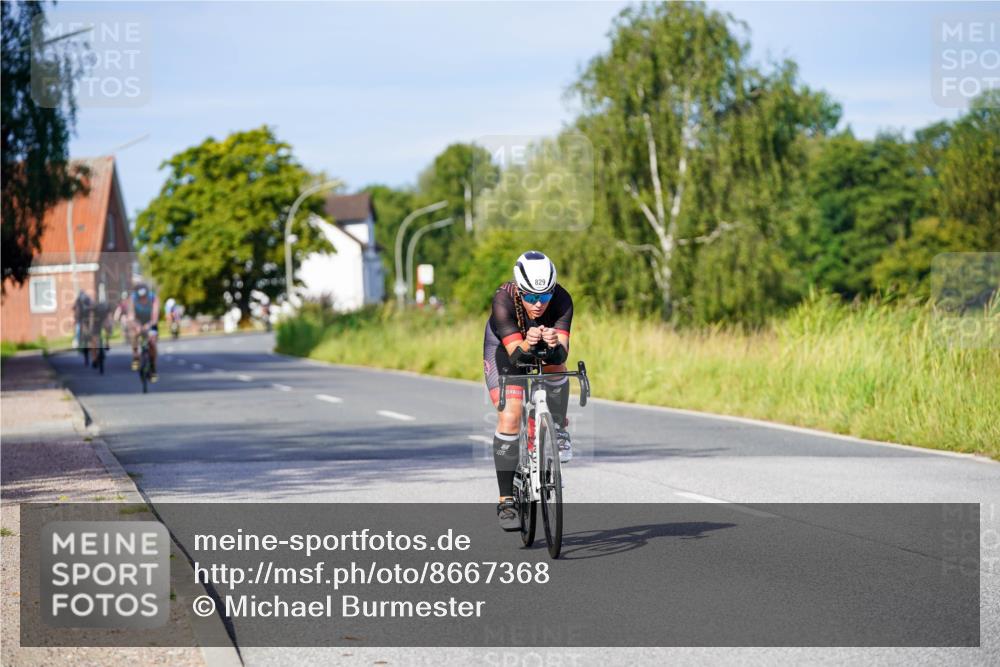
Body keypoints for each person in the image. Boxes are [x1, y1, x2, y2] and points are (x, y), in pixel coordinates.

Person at [483, 251, 573, 531]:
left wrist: (554, 344)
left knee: (556, 368)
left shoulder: (562, 300)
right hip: (504, 351)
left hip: (539, 346)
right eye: (531, 296)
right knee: (510, 417)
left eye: (544, 296)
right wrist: (527, 343)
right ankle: (506, 499)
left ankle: (555, 428)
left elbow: (560, 356)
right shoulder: (503, 300)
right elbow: (515, 357)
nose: (538, 304)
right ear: (519, 289)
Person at [128, 282, 160, 381]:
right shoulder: (132, 298)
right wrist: (137, 326)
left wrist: (149, 325)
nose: (143, 299)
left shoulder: (153, 298)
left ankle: (153, 368)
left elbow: (155, 316)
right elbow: (131, 316)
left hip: (150, 322)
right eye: (140, 297)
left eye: (144, 297)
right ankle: (135, 355)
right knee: (134, 334)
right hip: (137, 321)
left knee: (152, 342)